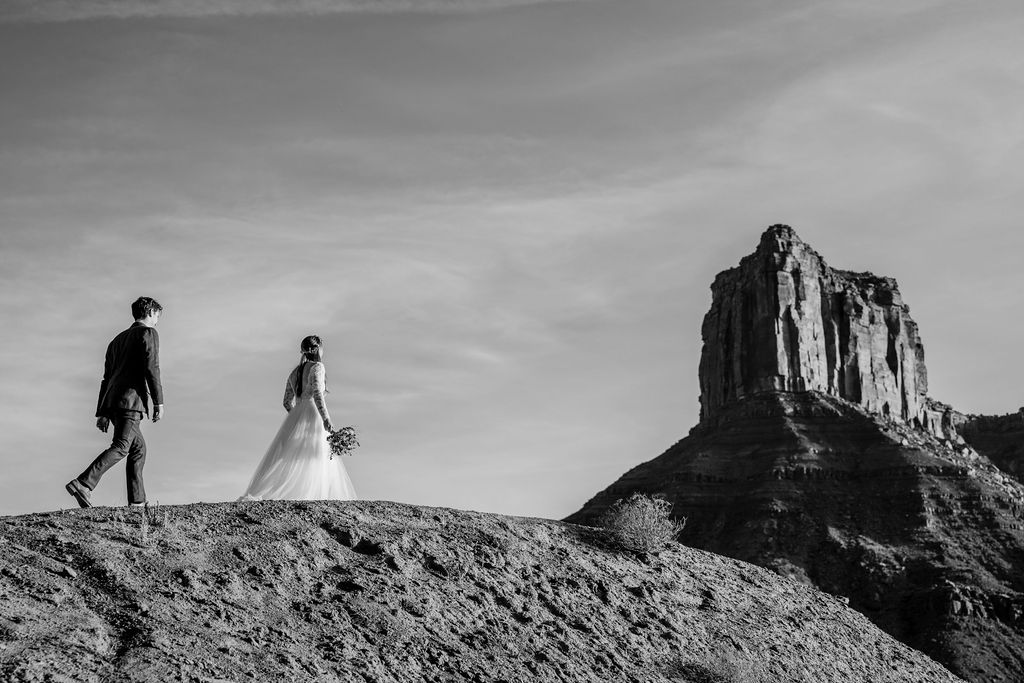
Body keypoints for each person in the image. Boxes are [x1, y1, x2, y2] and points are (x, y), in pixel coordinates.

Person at [66, 297, 164, 508]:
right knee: (121, 446)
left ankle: (137, 502)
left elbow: (107, 377)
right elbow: (152, 368)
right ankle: (83, 483)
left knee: (138, 449)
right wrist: (158, 402)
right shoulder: (149, 333)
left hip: (113, 402)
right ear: (151, 312)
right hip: (131, 401)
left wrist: (102, 412)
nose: (158, 320)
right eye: (157, 315)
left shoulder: (116, 341)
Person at [240, 335, 356, 501]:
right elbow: (317, 393)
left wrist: (296, 416)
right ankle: (311, 495)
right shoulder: (318, 367)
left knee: (291, 456)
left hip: (298, 414)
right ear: (316, 349)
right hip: (313, 414)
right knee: (313, 454)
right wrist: (325, 418)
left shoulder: (294, 372)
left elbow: (286, 402)